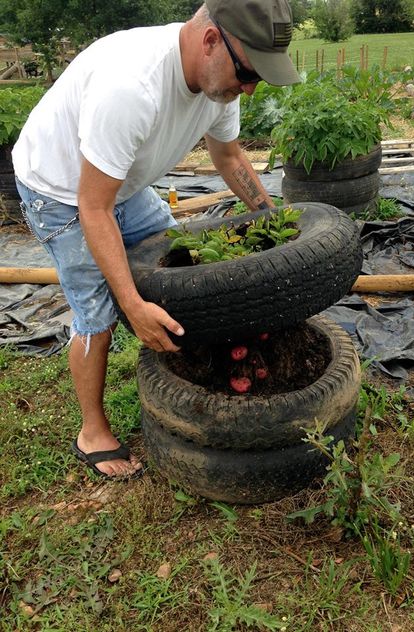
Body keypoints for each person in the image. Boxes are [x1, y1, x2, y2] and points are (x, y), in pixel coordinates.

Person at [12, 0, 300, 480]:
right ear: (211, 41)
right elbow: (93, 207)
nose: (249, 90)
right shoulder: (132, 86)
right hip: (59, 191)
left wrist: (275, 223)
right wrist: (131, 302)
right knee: (97, 312)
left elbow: (229, 159)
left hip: (120, 183)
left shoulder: (216, 87)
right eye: (248, 72)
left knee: (176, 263)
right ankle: (92, 431)